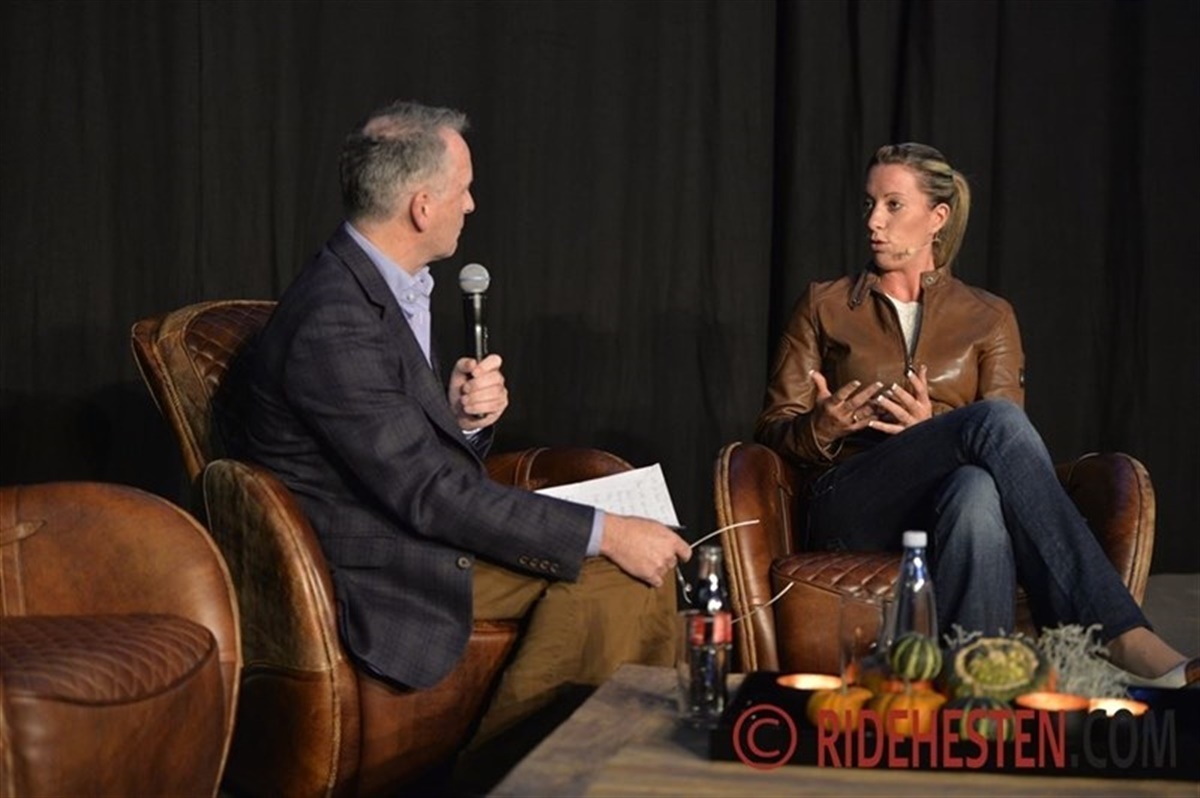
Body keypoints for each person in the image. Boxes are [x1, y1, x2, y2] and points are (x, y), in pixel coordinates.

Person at [232, 99, 693, 752]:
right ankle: (519, 776)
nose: (471, 205)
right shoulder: (333, 318)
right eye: (464, 190)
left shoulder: (374, 285)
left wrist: (457, 421)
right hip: (382, 571)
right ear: (422, 207)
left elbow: (391, 452)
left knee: (632, 568)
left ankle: (600, 770)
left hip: (413, 528)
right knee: (623, 571)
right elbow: (428, 493)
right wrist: (609, 530)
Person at [755, 142, 1196, 688]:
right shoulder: (824, 305)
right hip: (850, 501)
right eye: (870, 204)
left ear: (937, 218)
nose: (873, 221)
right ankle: (1118, 632)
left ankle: (980, 692)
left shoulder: (988, 317)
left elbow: (1014, 456)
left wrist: (931, 433)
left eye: (893, 205)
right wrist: (821, 427)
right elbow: (772, 429)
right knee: (992, 423)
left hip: (946, 502)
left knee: (977, 490)